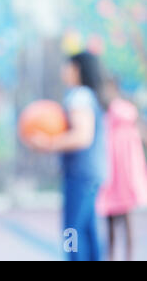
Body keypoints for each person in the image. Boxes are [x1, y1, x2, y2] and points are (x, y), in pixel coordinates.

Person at [27, 52, 107, 261]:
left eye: (67, 66)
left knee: (71, 230)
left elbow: (82, 136)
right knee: (87, 229)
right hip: (90, 172)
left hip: (80, 174)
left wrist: (48, 143)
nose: (63, 71)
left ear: (77, 69)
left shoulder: (79, 96)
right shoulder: (89, 95)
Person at [96, 78, 147, 261]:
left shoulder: (123, 109)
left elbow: (141, 132)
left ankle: (128, 257)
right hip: (111, 171)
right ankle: (110, 256)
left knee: (125, 219)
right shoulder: (104, 113)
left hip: (124, 172)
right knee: (110, 220)